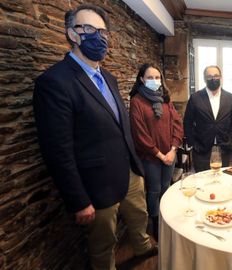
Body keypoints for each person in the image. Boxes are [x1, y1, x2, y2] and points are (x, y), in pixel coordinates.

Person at [33, 5, 154, 269]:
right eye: (88, 29)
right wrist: (79, 200)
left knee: (139, 217)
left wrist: (138, 169)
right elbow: (57, 150)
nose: (97, 36)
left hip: (129, 172)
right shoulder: (55, 82)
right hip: (96, 183)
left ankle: (143, 247)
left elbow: (119, 126)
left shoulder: (108, 77)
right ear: (72, 34)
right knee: (104, 241)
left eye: (102, 31)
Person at [129, 64, 183, 240]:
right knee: (154, 190)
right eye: (150, 78)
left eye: (157, 77)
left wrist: (174, 149)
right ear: (142, 80)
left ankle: (166, 221)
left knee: (166, 188)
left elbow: (177, 124)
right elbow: (139, 134)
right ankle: (157, 228)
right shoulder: (137, 101)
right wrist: (159, 154)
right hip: (151, 157)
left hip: (170, 154)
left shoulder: (166, 99)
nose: (154, 81)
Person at [184, 65, 232, 172]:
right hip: (201, 149)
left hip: (224, 148)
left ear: (221, 77)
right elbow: (187, 122)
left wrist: (231, 143)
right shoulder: (195, 98)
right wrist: (192, 143)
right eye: (209, 76)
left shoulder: (230, 97)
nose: (213, 79)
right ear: (204, 79)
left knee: (222, 180)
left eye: (216, 76)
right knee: (202, 181)